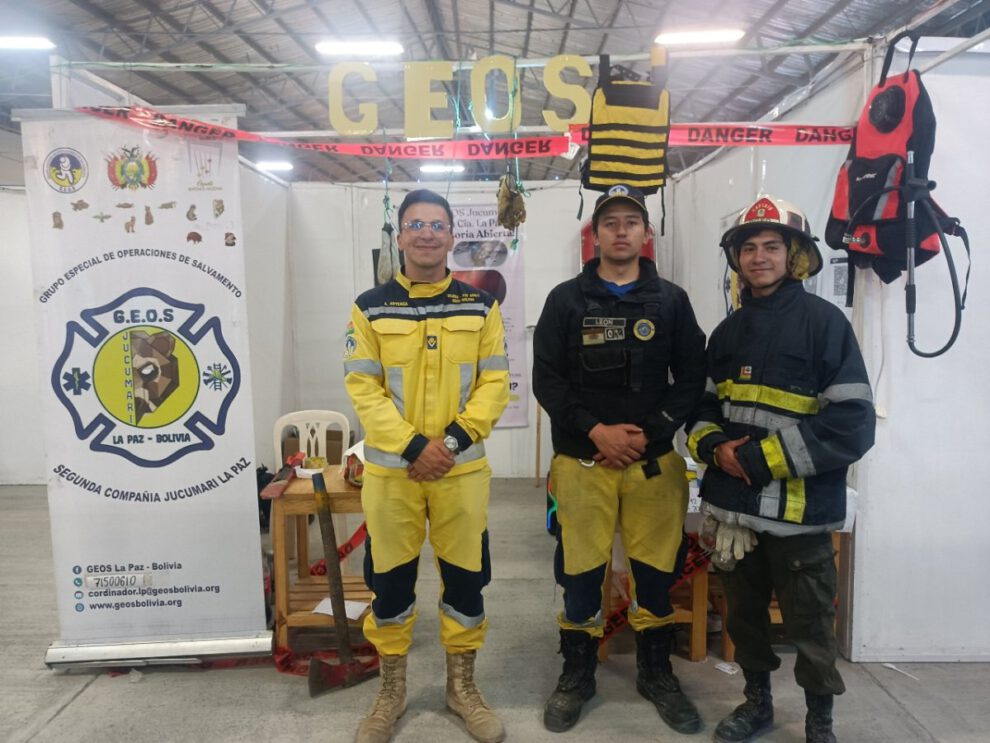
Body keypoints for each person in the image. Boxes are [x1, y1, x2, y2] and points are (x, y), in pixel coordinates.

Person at [686, 196, 876, 743]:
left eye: (772, 246)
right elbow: (698, 410)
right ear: (737, 259)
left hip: (800, 519)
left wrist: (759, 460)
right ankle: (756, 704)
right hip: (736, 515)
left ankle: (820, 720)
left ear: (794, 257)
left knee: (812, 627)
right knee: (745, 622)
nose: (759, 257)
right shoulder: (726, 333)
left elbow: (852, 425)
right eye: (749, 247)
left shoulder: (826, 325)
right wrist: (715, 446)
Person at [533, 184, 708, 734]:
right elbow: (548, 380)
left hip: (654, 465)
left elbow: (693, 377)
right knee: (580, 574)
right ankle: (577, 676)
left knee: (656, 574)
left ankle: (657, 674)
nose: (621, 230)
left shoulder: (673, 301)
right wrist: (596, 432)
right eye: (611, 222)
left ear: (646, 233)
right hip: (582, 464)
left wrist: (652, 431)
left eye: (632, 221)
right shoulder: (564, 300)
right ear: (596, 234)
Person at [343, 189, 510, 743]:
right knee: (390, 583)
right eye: (415, 223)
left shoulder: (481, 306)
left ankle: (461, 688)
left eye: (437, 224)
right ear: (401, 234)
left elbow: (494, 382)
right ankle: (390, 692)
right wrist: (416, 448)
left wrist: (453, 442)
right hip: (393, 475)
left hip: (461, 474)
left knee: (466, 580)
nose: (427, 233)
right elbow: (363, 388)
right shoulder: (370, 307)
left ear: (452, 236)